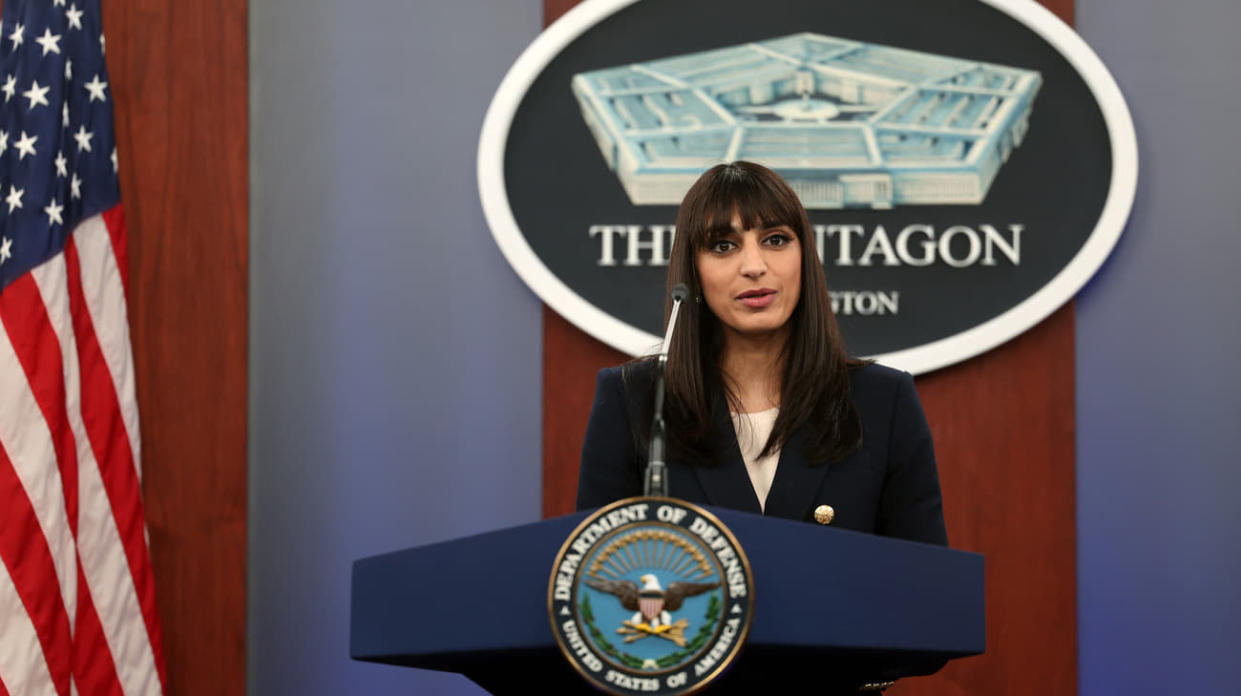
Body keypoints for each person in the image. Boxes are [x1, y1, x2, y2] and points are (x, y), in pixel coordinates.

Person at [576, 161, 947, 545]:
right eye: (724, 246)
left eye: (775, 240)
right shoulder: (636, 400)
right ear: (693, 271)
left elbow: (924, 585)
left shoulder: (883, 402)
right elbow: (595, 575)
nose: (754, 266)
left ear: (805, 257)